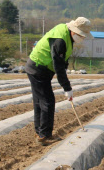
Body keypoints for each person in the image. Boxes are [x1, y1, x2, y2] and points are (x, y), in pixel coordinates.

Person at [25, 16, 92, 146]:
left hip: (39, 67)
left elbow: (62, 62)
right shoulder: (60, 40)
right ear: (74, 30)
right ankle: (44, 136)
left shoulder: (66, 33)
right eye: (81, 35)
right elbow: (58, 66)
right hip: (38, 68)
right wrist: (67, 88)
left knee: (40, 102)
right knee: (47, 102)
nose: (82, 38)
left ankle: (40, 132)